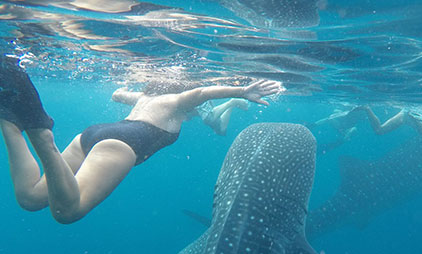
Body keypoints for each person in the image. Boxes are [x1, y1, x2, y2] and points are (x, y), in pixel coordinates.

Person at [0, 55, 281, 224]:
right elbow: (200, 95)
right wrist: (241, 91)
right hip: (121, 145)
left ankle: (9, 121)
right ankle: (42, 136)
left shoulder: (145, 97)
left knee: (31, 198)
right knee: (66, 212)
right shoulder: (176, 101)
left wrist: (124, 86)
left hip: (91, 135)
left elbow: (117, 94)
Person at [113, 83, 250, 136]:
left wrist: (241, 91)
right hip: (189, 105)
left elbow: (117, 96)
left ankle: (232, 101)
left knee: (210, 119)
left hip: (192, 99)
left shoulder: (153, 100)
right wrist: (119, 94)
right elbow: (117, 96)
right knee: (221, 131)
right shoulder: (145, 100)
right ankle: (232, 104)